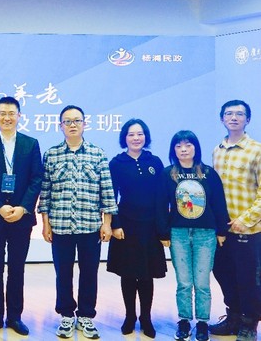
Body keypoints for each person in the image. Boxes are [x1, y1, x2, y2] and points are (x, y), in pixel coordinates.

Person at [38, 104, 117, 340]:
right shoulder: (51, 154)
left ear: (84, 124)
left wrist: (107, 223)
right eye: (67, 121)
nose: (72, 125)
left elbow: (107, 191)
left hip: (90, 226)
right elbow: (45, 192)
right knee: (63, 272)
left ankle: (86, 316)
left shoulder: (97, 153)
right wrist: (45, 223)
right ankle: (65, 315)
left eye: (77, 121)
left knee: (89, 272)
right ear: (60, 125)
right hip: (60, 225)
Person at [0, 96, 42, 337]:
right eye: (2, 113)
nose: (7, 117)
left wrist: (23, 208)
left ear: (19, 116)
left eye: (11, 113)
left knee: (17, 268)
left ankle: (15, 317)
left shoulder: (31, 144)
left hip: (21, 218)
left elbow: (36, 179)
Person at [160, 130, 229, 341]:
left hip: (205, 234)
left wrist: (222, 230)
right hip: (178, 233)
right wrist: (163, 232)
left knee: (202, 282)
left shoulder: (208, 173)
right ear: (173, 150)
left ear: (195, 148)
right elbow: (161, 205)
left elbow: (219, 203)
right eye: (178, 146)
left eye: (188, 145)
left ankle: (202, 322)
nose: (183, 149)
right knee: (183, 281)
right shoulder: (167, 174)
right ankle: (184, 320)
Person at [106, 119, 166, 338]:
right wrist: (115, 224)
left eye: (140, 134)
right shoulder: (116, 163)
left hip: (150, 226)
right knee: (129, 273)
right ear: (125, 138)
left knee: (147, 274)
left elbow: (162, 197)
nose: (136, 138)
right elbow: (111, 196)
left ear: (145, 136)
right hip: (126, 224)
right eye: (131, 134)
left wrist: (162, 228)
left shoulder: (155, 162)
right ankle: (130, 316)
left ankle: (146, 318)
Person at [210, 99, 261, 341]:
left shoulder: (256, 150)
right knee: (223, 272)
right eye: (229, 114)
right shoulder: (217, 151)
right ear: (222, 119)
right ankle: (233, 317)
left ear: (247, 119)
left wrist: (245, 219)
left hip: (248, 230)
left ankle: (249, 323)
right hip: (222, 230)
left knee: (248, 278)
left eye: (239, 114)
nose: (234, 118)